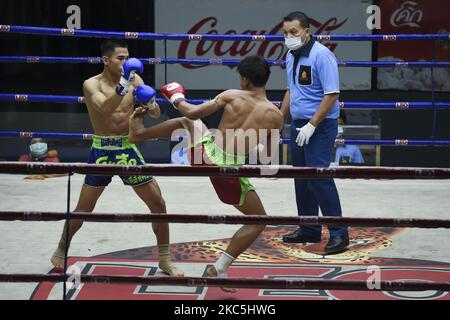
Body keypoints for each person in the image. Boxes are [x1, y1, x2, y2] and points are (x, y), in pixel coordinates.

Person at [128, 55, 283, 292]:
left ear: (244, 79)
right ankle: (221, 266)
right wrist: (253, 144)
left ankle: (139, 134)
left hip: (206, 156)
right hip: (229, 172)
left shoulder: (232, 95)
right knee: (258, 221)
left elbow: (193, 113)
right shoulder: (275, 115)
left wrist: (176, 97)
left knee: (187, 122)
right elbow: (269, 159)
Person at [50, 39, 183, 277]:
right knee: (83, 210)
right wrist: (124, 85)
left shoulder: (135, 80)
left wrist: (151, 103)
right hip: (101, 151)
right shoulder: (91, 84)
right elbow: (104, 108)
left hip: (126, 149)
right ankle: (61, 248)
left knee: (159, 205)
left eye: (126, 57)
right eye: (119, 58)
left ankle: (165, 260)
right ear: (106, 60)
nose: (125, 62)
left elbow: (155, 114)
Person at [279, 11, 349, 254]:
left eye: (294, 32)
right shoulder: (290, 55)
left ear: (306, 31)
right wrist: (279, 122)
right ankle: (309, 228)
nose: (289, 37)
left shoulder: (322, 56)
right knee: (301, 178)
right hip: (297, 124)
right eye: (286, 33)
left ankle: (340, 233)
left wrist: (312, 124)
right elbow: (290, 90)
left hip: (319, 127)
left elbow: (332, 94)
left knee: (319, 178)